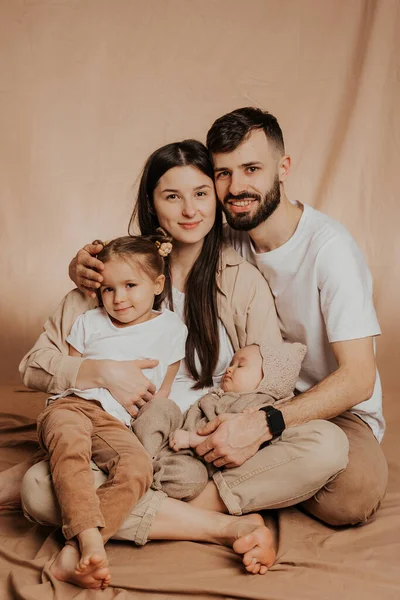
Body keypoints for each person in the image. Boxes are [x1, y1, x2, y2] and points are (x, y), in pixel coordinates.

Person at [7, 139, 348, 580]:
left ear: (216, 198)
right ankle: (221, 525)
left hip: (209, 440)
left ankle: (148, 511)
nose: (190, 210)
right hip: (126, 440)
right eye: (172, 196)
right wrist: (101, 373)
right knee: (38, 490)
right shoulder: (111, 274)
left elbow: (272, 371)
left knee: (327, 444)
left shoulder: (239, 276)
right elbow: (36, 364)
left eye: (201, 193)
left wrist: (236, 414)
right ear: (151, 203)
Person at [195, 106, 387, 526]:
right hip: (249, 395)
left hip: (332, 408)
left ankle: (190, 503)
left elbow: (358, 377)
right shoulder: (225, 237)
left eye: (251, 169)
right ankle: (268, 477)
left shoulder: (330, 249)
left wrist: (266, 425)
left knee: (351, 497)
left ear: (282, 168)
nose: (236, 186)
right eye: (223, 173)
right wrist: (87, 265)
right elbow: (150, 257)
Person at [36, 233, 189, 590]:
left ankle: (75, 552)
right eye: (107, 289)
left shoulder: (171, 329)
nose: (118, 299)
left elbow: (161, 391)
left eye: (130, 285)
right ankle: (89, 542)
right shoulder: (90, 322)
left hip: (116, 423)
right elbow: (68, 377)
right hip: (72, 406)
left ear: (157, 284)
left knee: (137, 468)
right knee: (71, 446)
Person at [133, 341, 306, 503]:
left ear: (269, 379)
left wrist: (191, 439)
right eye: (231, 363)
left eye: (241, 365)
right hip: (174, 433)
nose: (229, 369)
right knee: (162, 406)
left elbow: (230, 437)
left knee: (193, 478)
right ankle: (141, 455)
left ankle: (146, 475)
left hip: (193, 458)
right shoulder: (220, 394)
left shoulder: (255, 406)